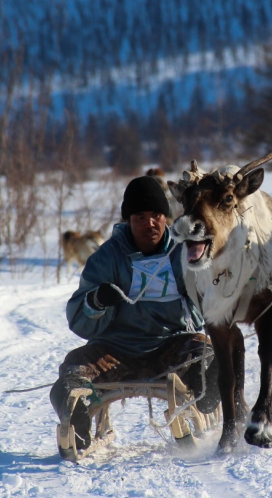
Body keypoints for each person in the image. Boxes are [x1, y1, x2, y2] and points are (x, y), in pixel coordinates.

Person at [51, 175, 219, 452]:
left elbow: (212, 300)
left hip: (172, 345)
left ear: (166, 218)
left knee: (208, 354)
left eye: (156, 215)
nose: (149, 223)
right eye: (140, 216)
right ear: (128, 220)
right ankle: (77, 420)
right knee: (72, 367)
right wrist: (96, 300)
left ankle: (206, 398)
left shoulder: (185, 253)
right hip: (117, 350)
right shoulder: (107, 257)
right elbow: (78, 319)